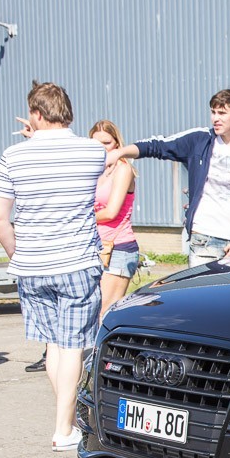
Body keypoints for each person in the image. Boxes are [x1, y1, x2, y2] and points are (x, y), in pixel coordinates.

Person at [0, 81, 106, 451]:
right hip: (76, 262)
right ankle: (63, 428)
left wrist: (17, 254)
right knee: (72, 347)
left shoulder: (13, 156)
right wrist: (40, 135)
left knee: (54, 345)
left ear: (35, 114)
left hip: (32, 266)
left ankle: (67, 425)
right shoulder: (92, 151)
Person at [105, 89, 230, 266]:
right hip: (203, 239)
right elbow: (157, 146)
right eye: (213, 112)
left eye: (222, 113)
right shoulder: (199, 140)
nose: (215, 118)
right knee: (200, 286)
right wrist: (119, 153)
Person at [90, 120, 138, 317]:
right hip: (95, 246)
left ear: (117, 144)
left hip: (117, 248)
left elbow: (111, 212)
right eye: (96, 143)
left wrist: (80, 218)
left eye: (106, 143)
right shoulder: (95, 170)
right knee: (90, 313)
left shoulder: (123, 169)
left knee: (104, 313)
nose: (101, 148)